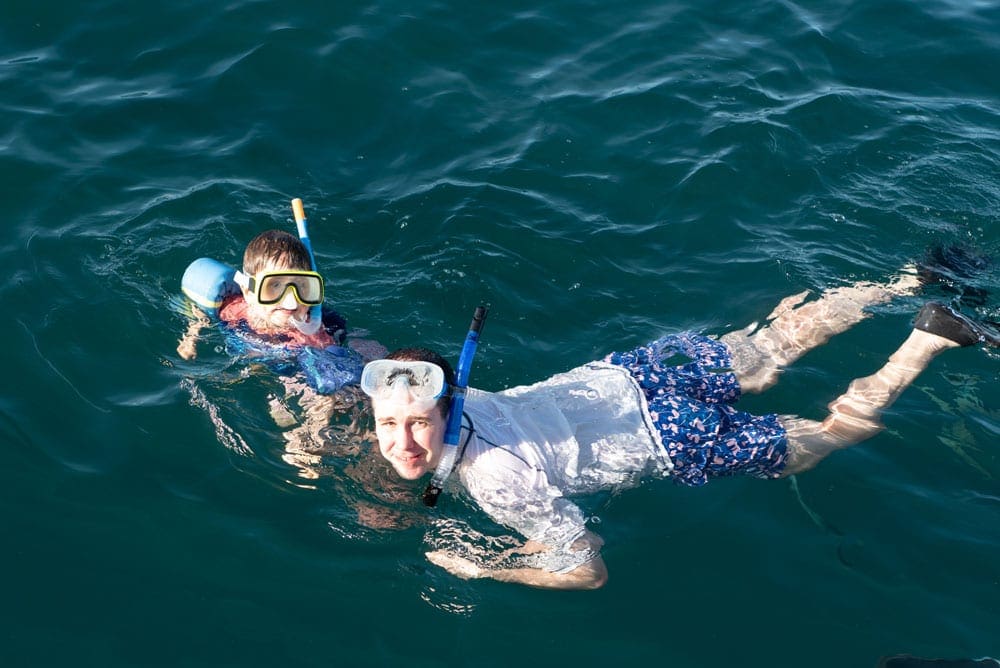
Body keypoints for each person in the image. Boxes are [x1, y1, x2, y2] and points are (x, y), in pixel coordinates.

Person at [360, 269, 999, 590]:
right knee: (772, 347)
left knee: (821, 443)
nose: (401, 442)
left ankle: (927, 341)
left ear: (449, 409)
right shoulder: (459, 394)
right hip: (633, 376)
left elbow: (585, 565)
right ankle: (909, 279)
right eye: (389, 425)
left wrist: (488, 564)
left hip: (670, 437)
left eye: (417, 424)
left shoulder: (495, 479)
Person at [177, 229, 385, 472]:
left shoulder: (308, 333)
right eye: (275, 287)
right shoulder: (233, 310)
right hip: (265, 354)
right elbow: (201, 311)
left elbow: (328, 382)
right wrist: (192, 335)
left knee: (342, 392)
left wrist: (313, 427)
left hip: (302, 351)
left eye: (299, 287)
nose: (290, 301)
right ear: (248, 291)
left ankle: (307, 437)